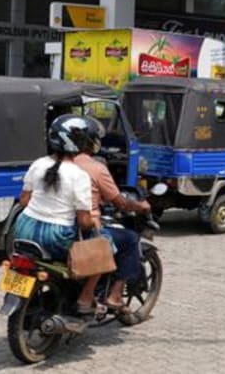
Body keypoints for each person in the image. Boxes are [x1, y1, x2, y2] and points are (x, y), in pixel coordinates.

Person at [14, 115, 96, 313]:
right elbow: (84, 222)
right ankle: (85, 299)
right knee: (103, 248)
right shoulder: (79, 175)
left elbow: (24, 201)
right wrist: (94, 222)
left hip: (24, 228)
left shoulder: (38, 164)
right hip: (56, 236)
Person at [73, 117, 150, 314]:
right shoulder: (96, 168)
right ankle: (113, 296)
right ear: (92, 142)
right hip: (84, 228)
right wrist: (141, 205)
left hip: (57, 225)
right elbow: (120, 203)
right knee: (129, 239)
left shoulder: (55, 164)